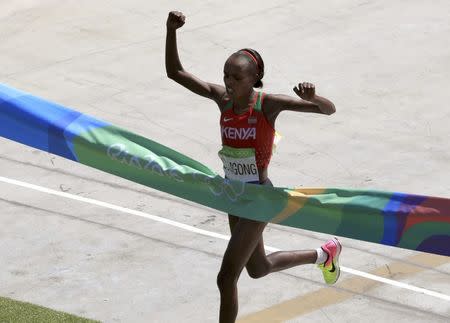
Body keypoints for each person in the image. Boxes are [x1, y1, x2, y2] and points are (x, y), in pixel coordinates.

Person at [165, 11, 341, 323]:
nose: (228, 83)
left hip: (260, 198)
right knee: (257, 269)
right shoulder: (222, 100)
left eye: (236, 78)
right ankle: (324, 254)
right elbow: (176, 72)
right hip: (234, 195)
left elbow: (328, 110)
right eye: (226, 76)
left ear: (254, 79)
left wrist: (316, 97)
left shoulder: (267, 104)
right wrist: (171, 30)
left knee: (225, 278)